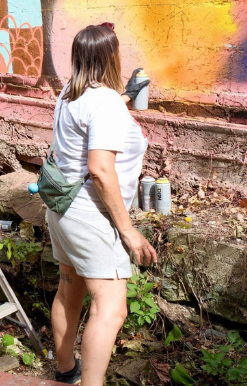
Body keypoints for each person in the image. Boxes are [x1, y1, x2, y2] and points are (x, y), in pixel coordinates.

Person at [47, 23, 157, 385]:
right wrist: (127, 231)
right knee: (111, 311)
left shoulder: (69, 92)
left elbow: (93, 117)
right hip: (91, 214)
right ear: (113, 56)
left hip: (62, 206)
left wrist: (125, 97)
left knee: (69, 290)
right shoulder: (105, 102)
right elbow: (99, 169)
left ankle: (67, 371)